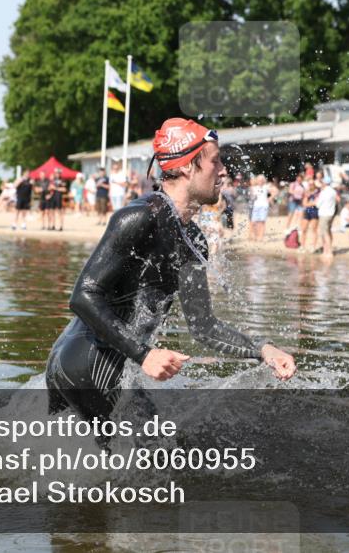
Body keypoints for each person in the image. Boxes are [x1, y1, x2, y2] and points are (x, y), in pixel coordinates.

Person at [44, 118, 296, 430]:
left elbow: (204, 327)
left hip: (96, 364)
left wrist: (263, 349)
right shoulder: (139, 216)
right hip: (90, 364)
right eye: (215, 161)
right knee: (130, 471)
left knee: (133, 456)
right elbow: (83, 295)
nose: (223, 171)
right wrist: (145, 355)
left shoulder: (194, 240)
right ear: (189, 167)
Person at [316, 176, 339, 256]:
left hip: (324, 214)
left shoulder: (324, 192)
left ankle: (328, 252)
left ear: (324, 183)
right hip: (331, 214)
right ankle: (327, 250)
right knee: (328, 231)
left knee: (324, 233)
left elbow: (318, 204)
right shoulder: (333, 191)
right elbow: (336, 201)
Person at [249, 174, 271, 242]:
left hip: (264, 206)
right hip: (256, 205)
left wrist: (270, 199)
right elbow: (251, 183)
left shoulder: (266, 187)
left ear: (264, 181)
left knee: (262, 222)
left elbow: (275, 191)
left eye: (262, 180)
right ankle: (256, 235)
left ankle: (261, 237)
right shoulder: (254, 188)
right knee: (254, 222)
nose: (260, 181)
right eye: (259, 180)